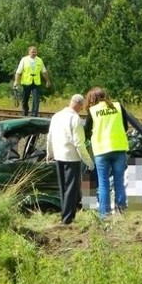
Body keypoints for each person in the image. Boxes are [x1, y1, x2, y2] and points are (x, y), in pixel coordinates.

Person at [46, 94, 95, 225]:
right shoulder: (75, 118)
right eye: (81, 107)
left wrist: (49, 153)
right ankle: (67, 219)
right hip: (71, 158)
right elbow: (79, 143)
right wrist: (89, 162)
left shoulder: (56, 116)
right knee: (71, 189)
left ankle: (65, 215)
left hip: (58, 156)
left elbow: (49, 137)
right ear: (79, 105)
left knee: (63, 188)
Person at [84, 87, 129, 218]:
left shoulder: (93, 111)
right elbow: (125, 126)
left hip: (101, 151)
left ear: (92, 99)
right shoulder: (118, 106)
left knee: (103, 183)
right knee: (119, 181)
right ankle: (121, 211)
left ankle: (104, 214)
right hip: (119, 149)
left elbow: (86, 131)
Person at [13, 46, 51, 117]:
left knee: (36, 100)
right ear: (29, 52)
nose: (34, 53)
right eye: (32, 52)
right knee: (25, 99)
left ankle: (34, 115)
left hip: (36, 83)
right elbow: (18, 72)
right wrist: (16, 81)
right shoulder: (24, 60)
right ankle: (25, 113)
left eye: (35, 52)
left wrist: (47, 80)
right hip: (26, 83)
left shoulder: (40, 60)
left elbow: (44, 71)